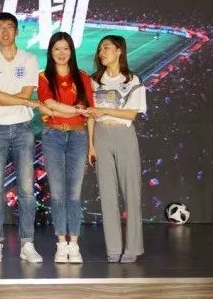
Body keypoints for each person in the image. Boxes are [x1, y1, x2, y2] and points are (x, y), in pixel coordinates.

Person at [0, 12, 51, 264]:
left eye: (10, 26)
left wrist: (2, 99)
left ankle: (27, 243)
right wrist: (16, 100)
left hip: (22, 128)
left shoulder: (29, 59)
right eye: (0, 27)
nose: (5, 31)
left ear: (17, 31)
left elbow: (26, 93)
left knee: (27, 190)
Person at [87, 35, 147, 263]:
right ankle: (113, 247)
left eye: (106, 48)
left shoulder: (132, 80)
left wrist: (104, 111)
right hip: (101, 135)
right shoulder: (94, 81)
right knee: (107, 194)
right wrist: (91, 144)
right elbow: (90, 115)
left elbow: (131, 114)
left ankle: (133, 247)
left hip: (124, 135)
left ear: (119, 50)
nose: (102, 52)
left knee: (131, 192)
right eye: (100, 49)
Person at [37, 32, 95, 264]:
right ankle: (61, 243)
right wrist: (76, 110)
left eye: (66, 48)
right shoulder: (43, 77)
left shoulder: (83, 77)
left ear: (72, 51)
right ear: (50, 52)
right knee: (58, 193)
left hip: (79, 137)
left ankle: (74, 244)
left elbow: (90, 113)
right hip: (53, 136)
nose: (61, 53)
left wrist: (92, 144)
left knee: (74, 194)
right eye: (57, 49)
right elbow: (48, 104)